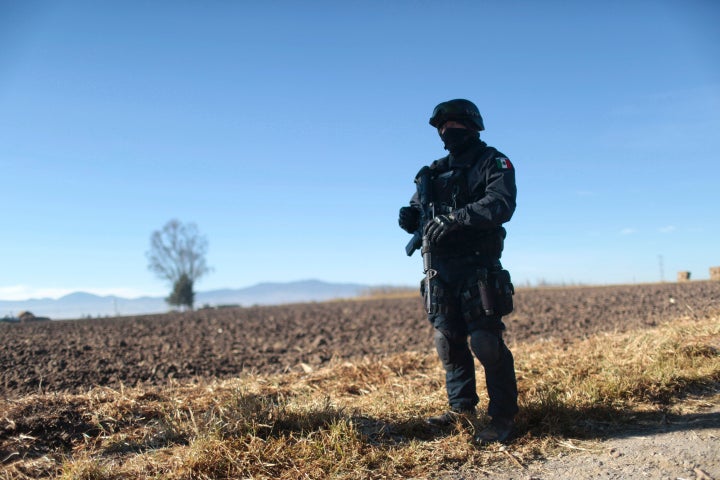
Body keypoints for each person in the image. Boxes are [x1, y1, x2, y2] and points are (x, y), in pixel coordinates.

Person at [398, 98, 519, 444]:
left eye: (454, 125)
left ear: (472, 126)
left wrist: (457, 219)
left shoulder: (492, 161)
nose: (447, 132)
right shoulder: (432, 173)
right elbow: (419, 211)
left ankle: (503, 418)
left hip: (478, 266)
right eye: (442, 127)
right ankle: (461, 410)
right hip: (440, 270)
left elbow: (501, 203)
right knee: (447, 341)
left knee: (485, 342)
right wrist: (410, 220)